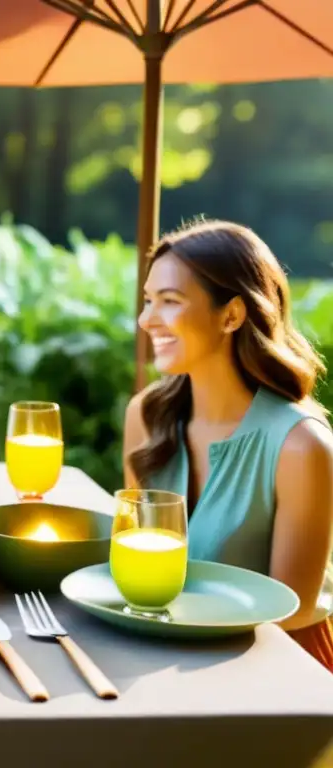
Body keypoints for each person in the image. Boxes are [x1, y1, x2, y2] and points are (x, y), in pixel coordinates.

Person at [124, 219, 333, 673]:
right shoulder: (145, 416)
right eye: (147, 301)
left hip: (281, 673)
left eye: (170, 302)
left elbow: (292, 610)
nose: (147, 319)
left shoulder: (301, 446)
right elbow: (131, 560)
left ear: (232, 315)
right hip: (166, 652)